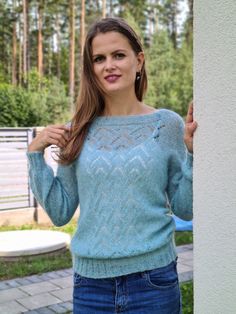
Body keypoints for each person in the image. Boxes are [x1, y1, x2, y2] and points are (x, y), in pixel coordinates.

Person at [27, 17, 197, 314]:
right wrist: (34, 156)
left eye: (119, 55)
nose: (109, 65)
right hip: (91, 286)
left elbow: (185, 208)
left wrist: (194, 156)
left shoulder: (166, 125)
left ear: (139, 61)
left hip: (153, 281)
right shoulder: (77, 130)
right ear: (91, 69)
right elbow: (59, 211)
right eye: (99, 59)